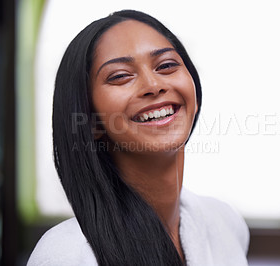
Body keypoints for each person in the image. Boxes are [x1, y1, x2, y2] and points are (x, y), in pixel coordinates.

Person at [27, 10, 249, 266]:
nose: (154, 85)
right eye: (121, 76)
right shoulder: (66, 256)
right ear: (91, 120)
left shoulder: (225, 225)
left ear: (195, 94)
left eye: (166, 65)